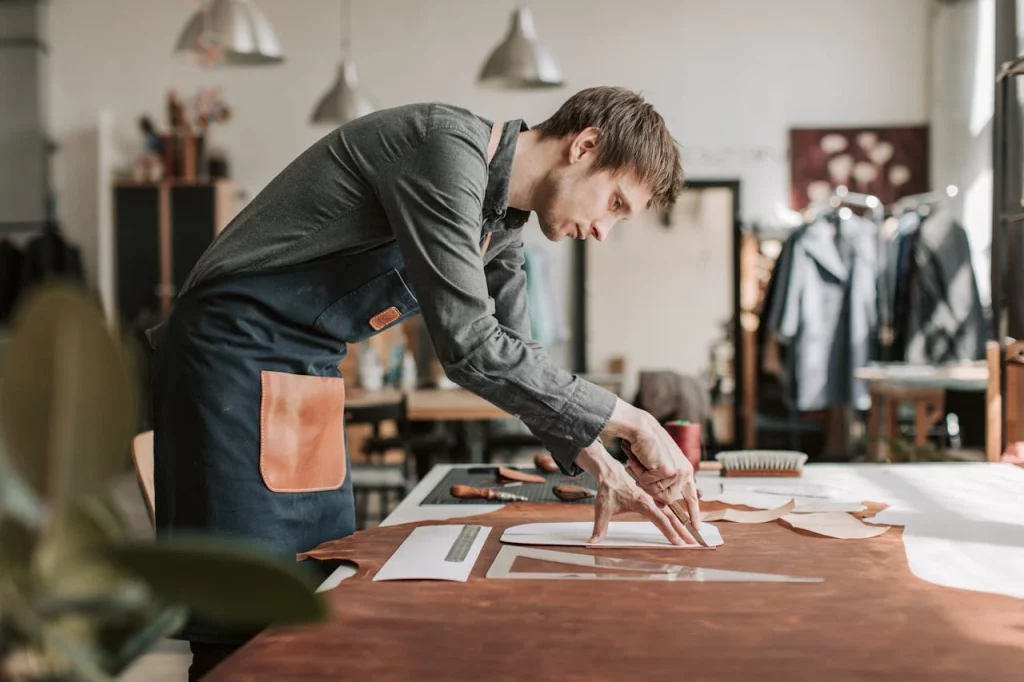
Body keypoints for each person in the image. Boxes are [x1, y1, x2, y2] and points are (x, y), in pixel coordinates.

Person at [149, 85, 699, 680]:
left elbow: (515, 356)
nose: (603, 231)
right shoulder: (444, 152)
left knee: (318, 586)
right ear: (585, 146)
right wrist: (636, 420)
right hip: (229, 357)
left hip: (306, 368)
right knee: (243, 613)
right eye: (614, 203)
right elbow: (469, 345)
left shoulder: (501, 226)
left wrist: (602, 462)